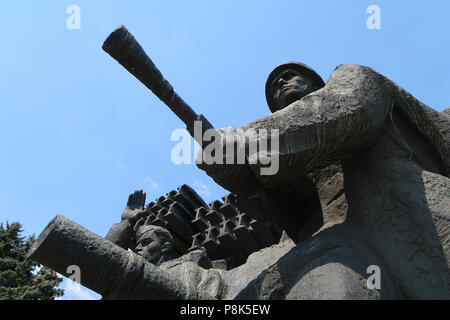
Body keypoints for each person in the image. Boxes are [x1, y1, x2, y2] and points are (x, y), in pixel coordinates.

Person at [195, 62, 450, 299]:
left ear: (316, 83)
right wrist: (236, 174)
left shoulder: (356, 78)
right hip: (341, 254)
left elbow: (351, 109)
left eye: (289, 75)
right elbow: (288, 208)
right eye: (274, 87)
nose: (281, 83)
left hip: (415, 227)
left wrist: (243, 140)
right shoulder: (293, 163)